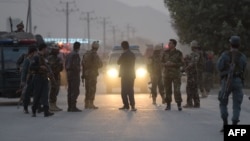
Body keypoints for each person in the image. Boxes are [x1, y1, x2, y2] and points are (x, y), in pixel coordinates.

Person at [217, 35, 247, 132]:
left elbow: (219, 66)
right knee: (236, 104)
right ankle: (234, 125)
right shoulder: (242, 56)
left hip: (226, 81)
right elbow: (244, 69)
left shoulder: (225, 55)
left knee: (223, 102)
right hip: (238, 81)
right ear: (239, 45)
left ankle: (225, 123)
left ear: (230, 44)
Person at [30, 43, 54, 117]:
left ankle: (46, 111)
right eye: (46, 48)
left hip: (44, 77)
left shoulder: (44, 57)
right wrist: (40, 67)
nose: (47, 50)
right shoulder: (36, 57)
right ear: (43, 48)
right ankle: (34, 110)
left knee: (45, 94)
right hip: (38, 78)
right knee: (37, 95)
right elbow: (32, 67)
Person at [161, 39, 183, 111]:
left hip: (176, 74)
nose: (169, 44)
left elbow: (182, 63)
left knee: (177, 90)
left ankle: (179, 105)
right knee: (167, 90)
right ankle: (168, 105)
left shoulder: (178, 53)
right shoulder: (165, 53)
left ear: (174, 45)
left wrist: (174, 64)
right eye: (169, 43)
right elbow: (161, 62)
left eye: (170, 43)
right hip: (167, 74)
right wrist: (165, 64)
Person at [81, 41, 103, 109]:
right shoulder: (94, 54)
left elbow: (83, 64)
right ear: (97, 47)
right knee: (92, 88)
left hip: (86, 73)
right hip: (92, 73)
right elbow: (100, 64)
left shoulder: (87, 53)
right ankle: (91, 103)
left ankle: (86, 103)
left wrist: (83, 74)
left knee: (87, 89)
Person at [117, 41, 137, 111]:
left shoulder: (123, 54)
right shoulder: (132, 54)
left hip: (125, 74)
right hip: (131, 74)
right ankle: (133, 105)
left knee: (124, 91)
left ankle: (126, 105)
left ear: (122, 47)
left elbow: (118, 62)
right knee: (131, 90)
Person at [183, 40, 200, 108]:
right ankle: (196, 103)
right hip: (193, 74)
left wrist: (186, 68)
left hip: (193, 74)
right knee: (194, 88)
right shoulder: (194, 54)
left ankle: (190, 103)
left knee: (189, 88)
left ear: (192, 46)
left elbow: (193, 63)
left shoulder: (196, 54)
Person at [65, 42, 81, 112]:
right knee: (75, 90)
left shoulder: (69, 54)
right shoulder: (76, 55)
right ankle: (73, 106)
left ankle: (69, 106)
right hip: (74, 74)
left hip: (69, 73)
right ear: (78, 47)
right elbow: (75, 65)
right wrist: (78, 70)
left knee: (70, 90)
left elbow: (65, 64)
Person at [20, 46, 37, 114]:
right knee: (27, 94)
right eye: (36, 52)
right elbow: (24, 71)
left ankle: (36, 107)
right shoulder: (27, 60)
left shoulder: (35, 59)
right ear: (33, 52)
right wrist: (23, 81)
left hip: (35, 78)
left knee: (36, 94)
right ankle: (25, 108)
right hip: (29, 79)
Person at [48, 45, 64, 111]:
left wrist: (61, 63)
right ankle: (51, 105)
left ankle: (54, 104)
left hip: (56, 75)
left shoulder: (57, 58)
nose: (57, 51)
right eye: (56, 50)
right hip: (52, 76)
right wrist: (59, 63)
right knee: (53, 90)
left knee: (56, 90)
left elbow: (60, 68)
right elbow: (52, 67)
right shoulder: (50, 58)